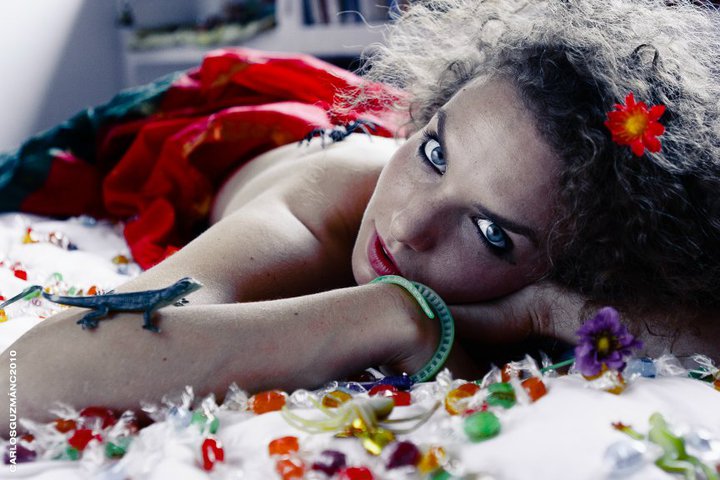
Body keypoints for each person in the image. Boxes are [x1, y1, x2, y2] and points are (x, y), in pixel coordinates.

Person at [2, 0, 720, 434]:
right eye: (433, 151)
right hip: (238, 130)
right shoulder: (319, 214)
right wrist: (391, 313)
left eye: (491, 233)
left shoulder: (558, 243)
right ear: (426, 116)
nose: (406, 226)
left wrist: (540, 314)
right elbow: (20, 380)